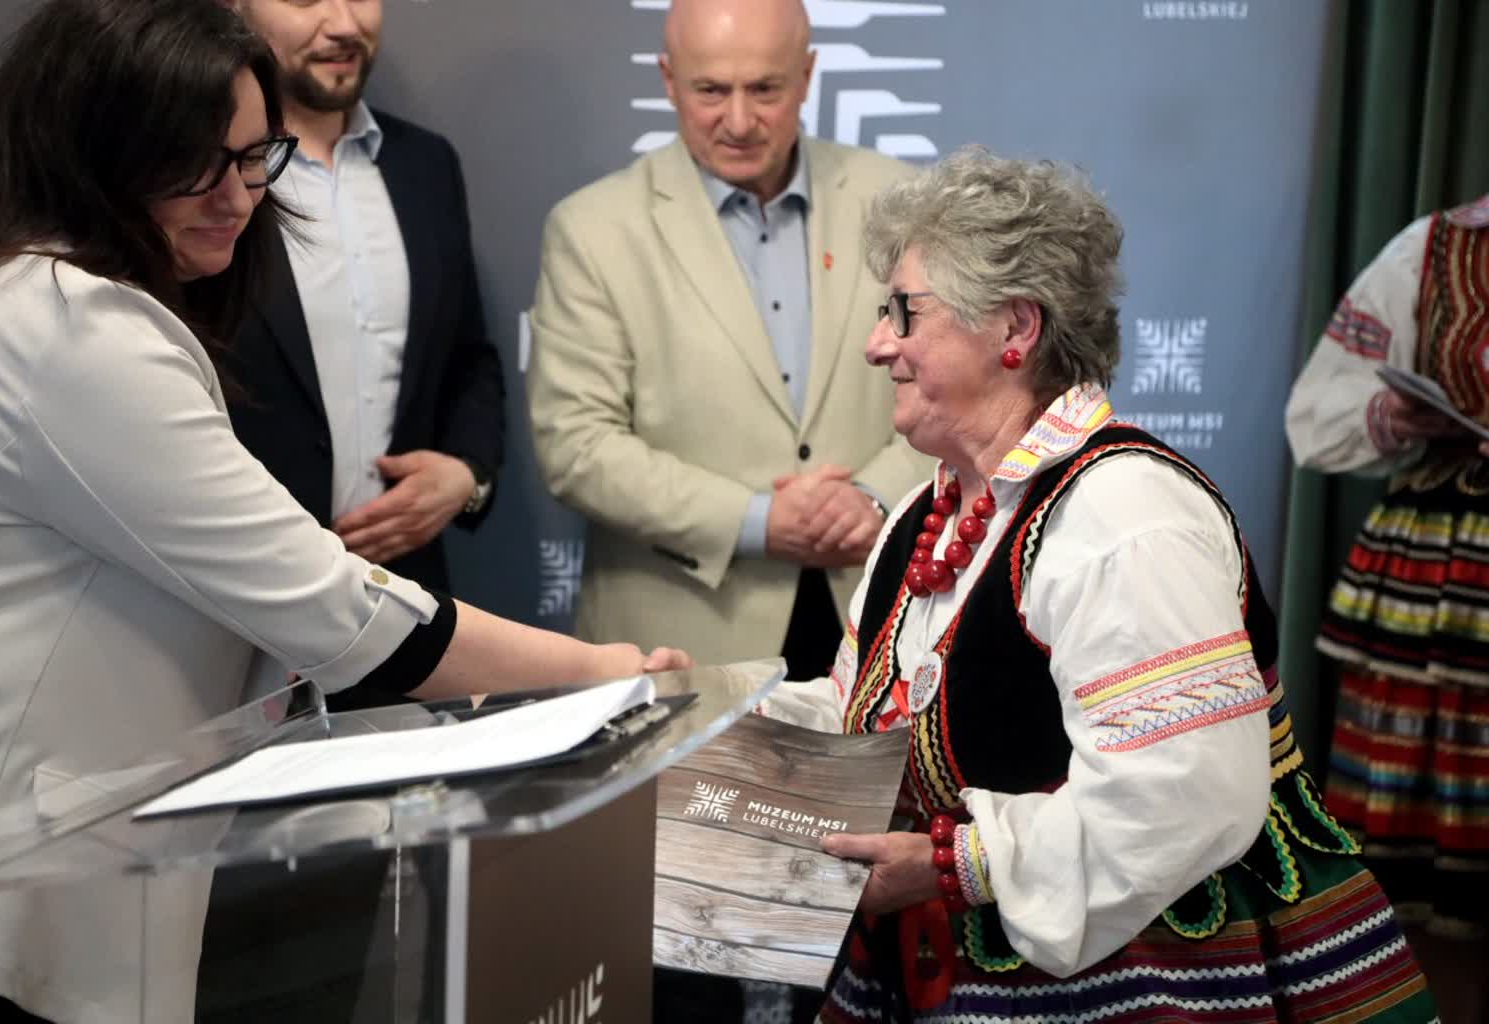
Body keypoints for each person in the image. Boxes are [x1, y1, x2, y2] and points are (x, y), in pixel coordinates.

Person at [0, 3, 686, 1022]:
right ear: (95, 150)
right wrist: (597, 671)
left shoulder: (66, 304)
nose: (237, 198)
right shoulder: (70, 330)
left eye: (254, 160)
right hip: (13, 880)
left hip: (90, 846)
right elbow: (336, 608)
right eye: (195, 166)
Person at [760, 147, 1437, 1022]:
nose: (876, 342)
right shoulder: (927, 514)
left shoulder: (1124, 514)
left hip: (1142, 986)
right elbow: (872, 716)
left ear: (1014, 326)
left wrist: (957, 865)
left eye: (903, 312)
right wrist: (710, 720)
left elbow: (1184, 793)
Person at [527, 0, 929, 687]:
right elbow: (577, 445)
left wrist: (875, 497)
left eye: (765, 89)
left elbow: (958, 386)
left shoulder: (898, 200)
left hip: (879, 614)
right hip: (680, 640)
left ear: (807, 75)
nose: (738, 121)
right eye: (711, 90)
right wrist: (756, 520)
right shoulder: (592, 229)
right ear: (668, 79)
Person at [227, 0, 504, 710]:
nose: (344, 22)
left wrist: (465, 475)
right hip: (234, 625)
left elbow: (468, 358)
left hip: (402, 617)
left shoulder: (426, 164)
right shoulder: (206, 175)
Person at [1286, 196, 1489, 1023]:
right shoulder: (1433, 249)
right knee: (1426, 881)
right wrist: (1393, 412)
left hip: (1445, 583)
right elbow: (1317, 416)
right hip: (1440, 587)